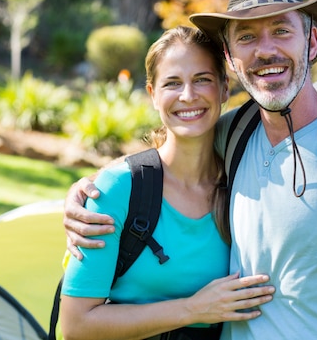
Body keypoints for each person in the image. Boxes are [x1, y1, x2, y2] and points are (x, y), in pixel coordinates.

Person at [63, 0, 317, 340]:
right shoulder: (234, 133)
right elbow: (169, 155)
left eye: (282, 31)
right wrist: (87, 190)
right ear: (230, 55)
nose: (265, 51)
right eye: (247, 36)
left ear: (312, 42)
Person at [58, 26, 275, 340]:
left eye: (202, 79)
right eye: (172, 83)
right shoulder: (118, 189)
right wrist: (194, 309)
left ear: (224, 88)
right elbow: (77, 325)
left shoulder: (244, 180)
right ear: (152, 95)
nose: (188, 95)